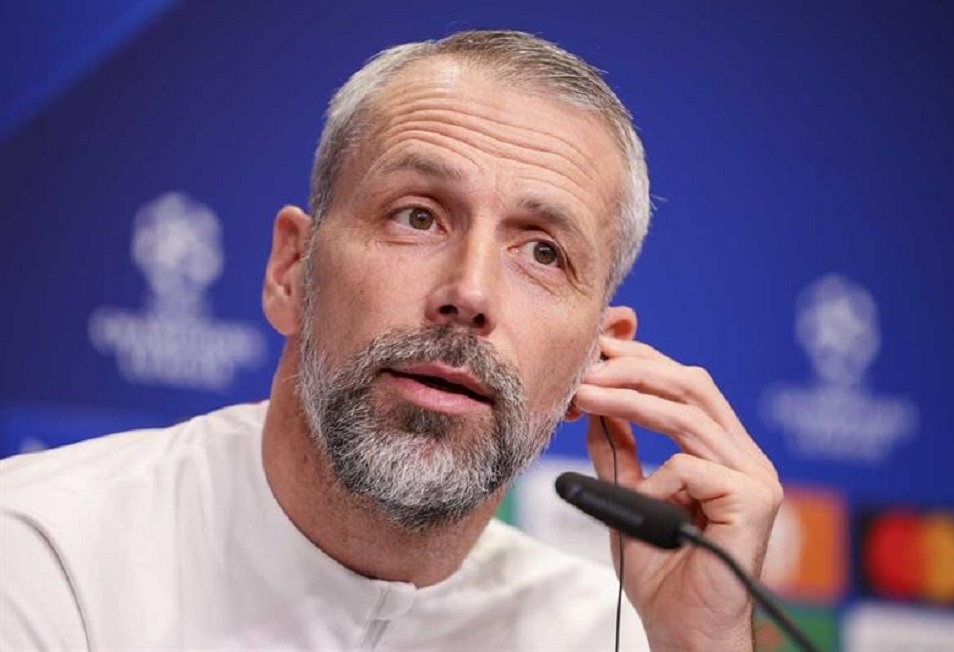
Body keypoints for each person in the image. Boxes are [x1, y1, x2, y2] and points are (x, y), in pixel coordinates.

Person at [0, 30, 782, 650]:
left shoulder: (601, 633)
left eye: (543, 253)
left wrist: (702, 645)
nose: (470, 293)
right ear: (292, 271)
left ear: (596, 357)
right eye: (418, 216)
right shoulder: (43, 555)